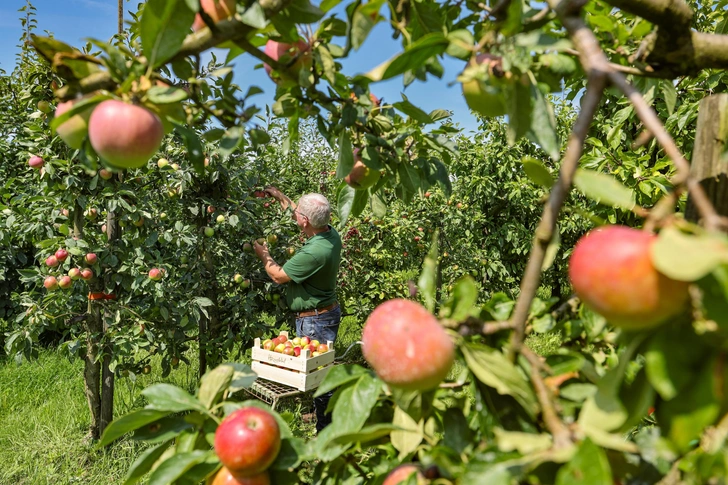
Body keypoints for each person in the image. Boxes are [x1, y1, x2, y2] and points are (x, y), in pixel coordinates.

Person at [253, 187, 342, 432]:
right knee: (318, 370)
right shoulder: (330, 234)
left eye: (299, 215)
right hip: (325, 313)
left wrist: (264, 255)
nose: (296, 216)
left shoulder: (314, 252)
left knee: (319, 375)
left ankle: (326, 429)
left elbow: (278, 275)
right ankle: (320, 414)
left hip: (316, 320)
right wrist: (279, 196)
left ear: (306, 221)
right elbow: (299, 213)